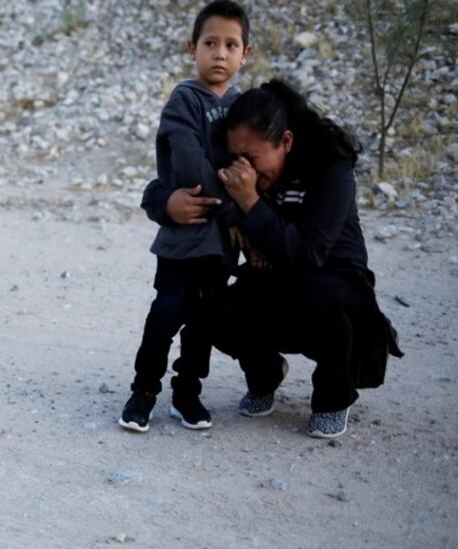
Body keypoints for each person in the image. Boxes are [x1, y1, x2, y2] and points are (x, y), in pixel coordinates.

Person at [157, 79, 402, 438]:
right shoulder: (243, 174)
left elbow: (307, 254)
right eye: (237, 158)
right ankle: (265, 375)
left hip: (336, 287)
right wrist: (165, 204)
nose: (246, 171)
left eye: (253, 158)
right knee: (214, 310)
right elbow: (176, 185)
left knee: (323, 298)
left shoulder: (331, 169)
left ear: (285, 141)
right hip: (276, 281)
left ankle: (333, 398)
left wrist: (250, 204)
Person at [118, 0, 253, 433]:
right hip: (184, 238)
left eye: (231, 45)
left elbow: (250, 164)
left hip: (220, 247)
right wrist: (234, 209)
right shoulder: (184, 101)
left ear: (244, 54)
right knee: (165, 315)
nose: (220, 53)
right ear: (192, 47)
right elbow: (193, 166)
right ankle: (143, 392)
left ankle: (187, 394)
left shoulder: (242, 106)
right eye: (210, 43)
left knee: (202, 325)